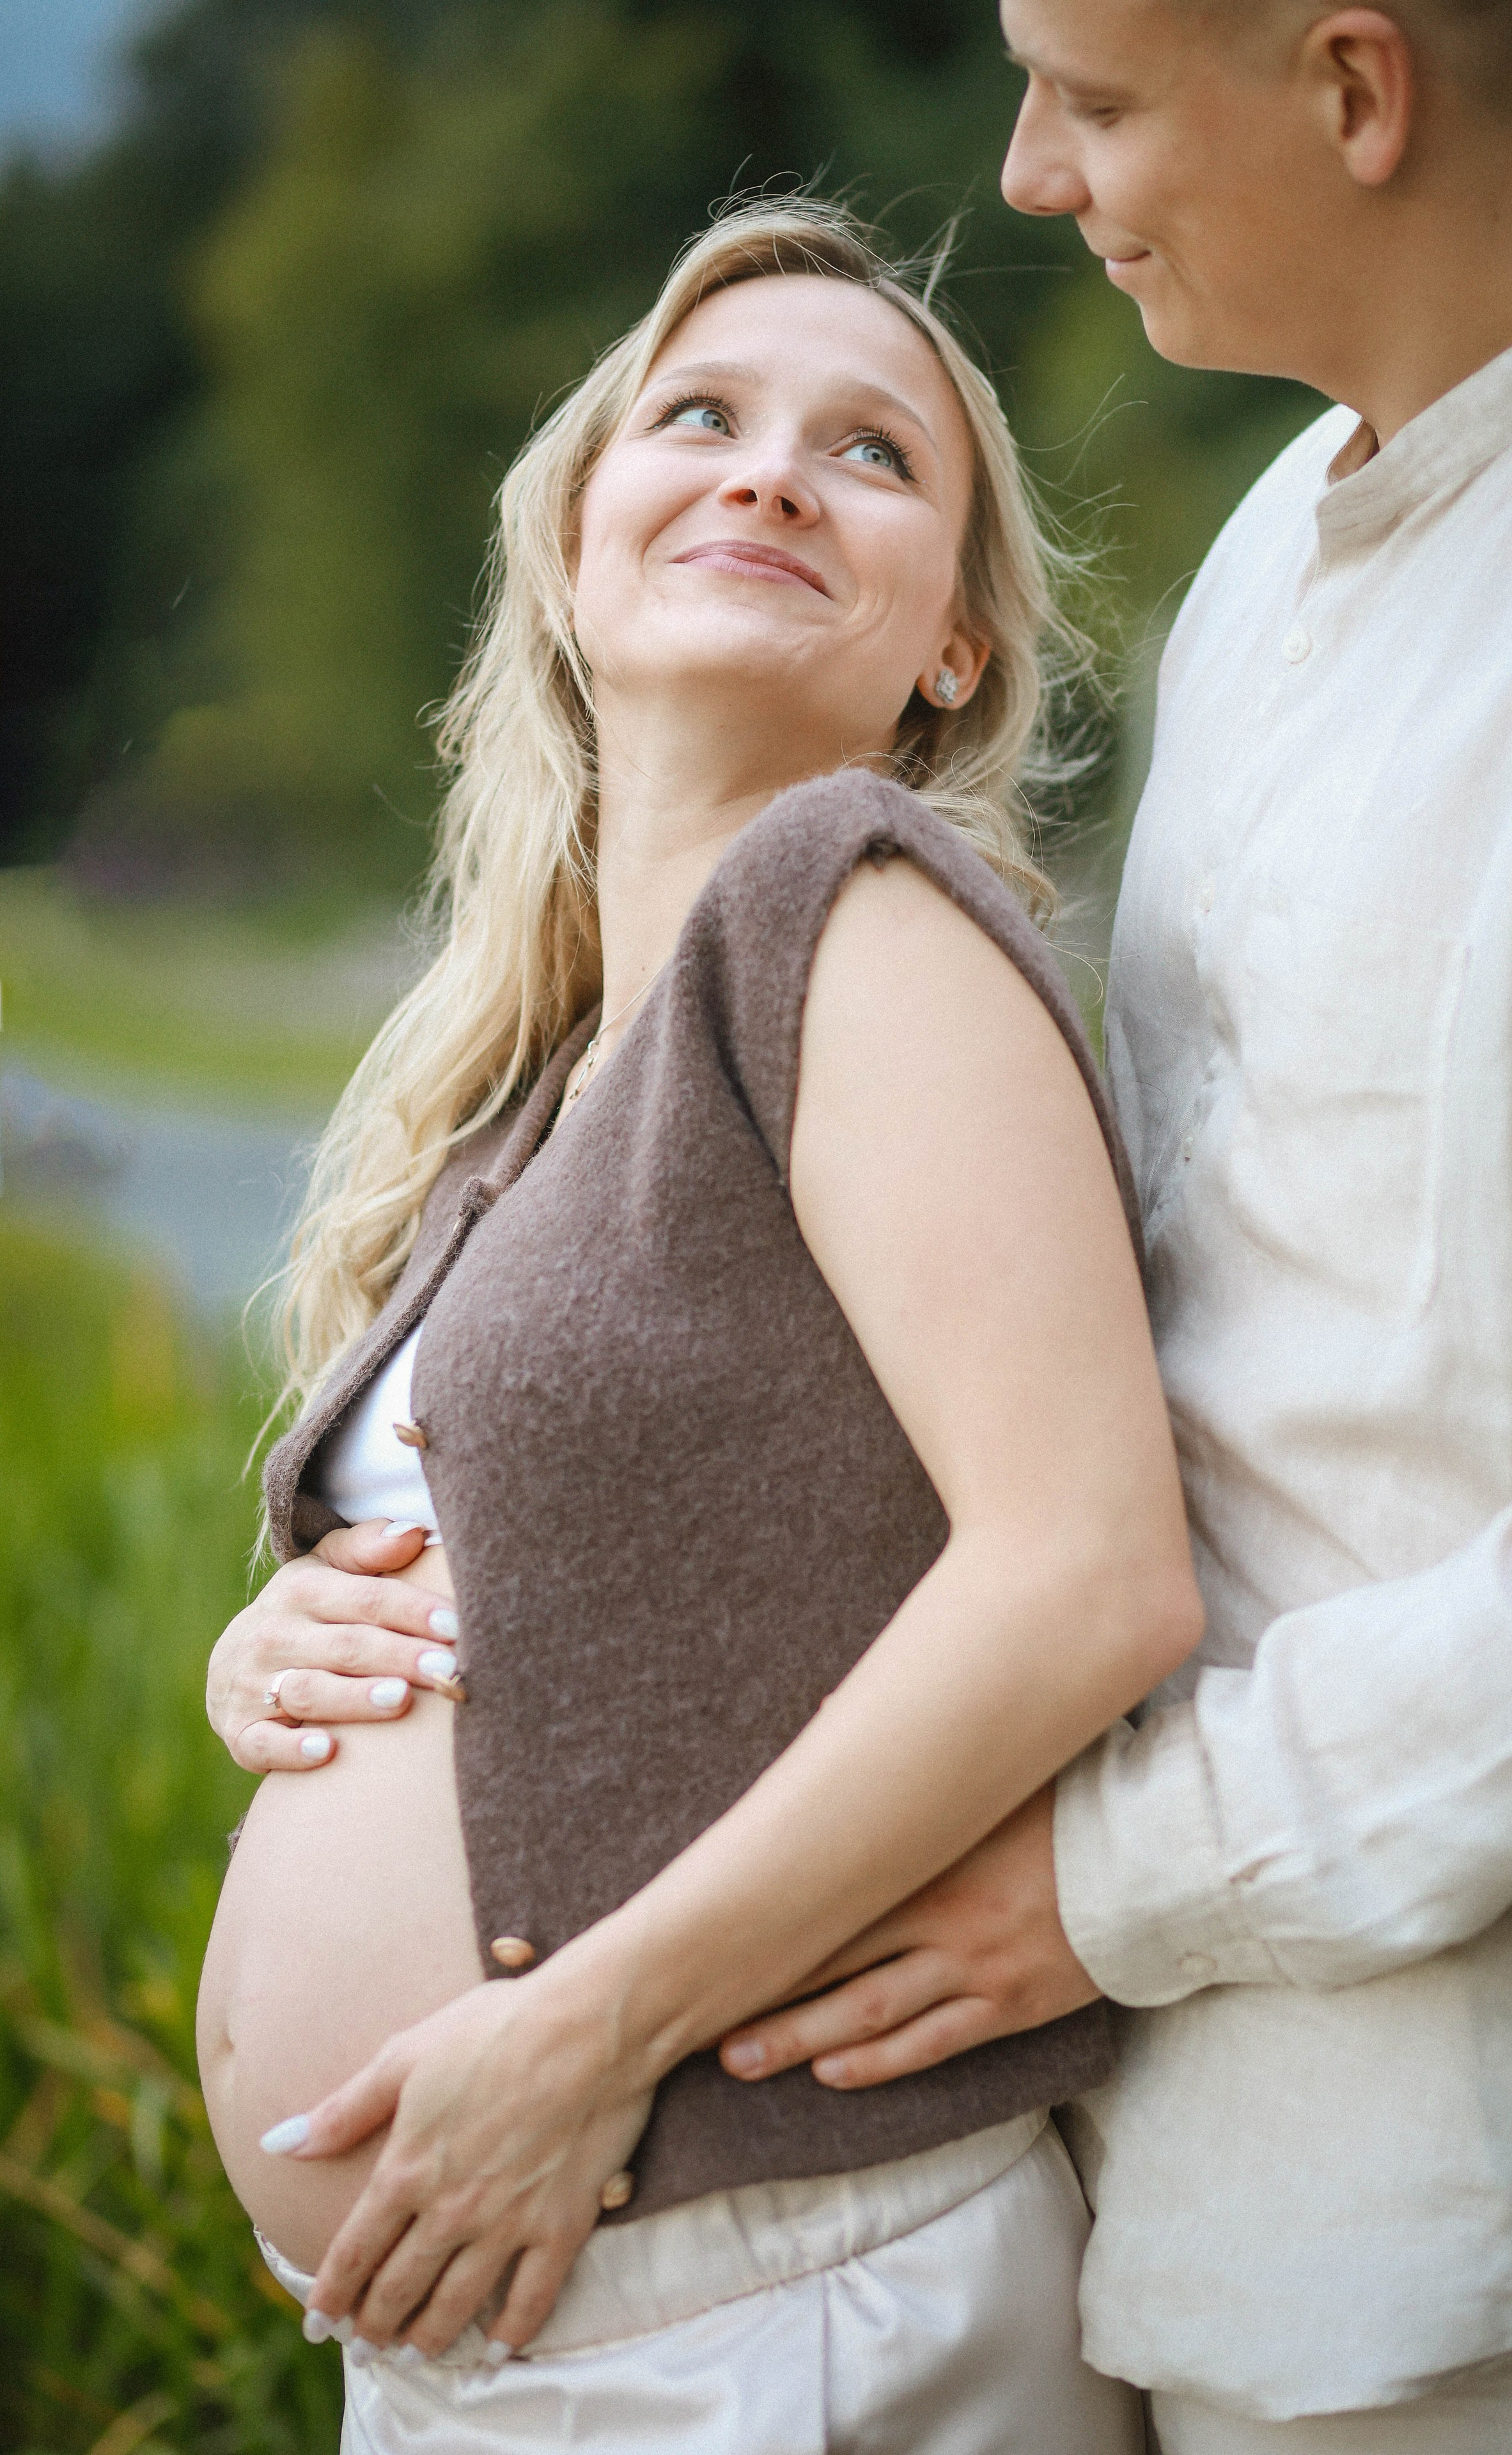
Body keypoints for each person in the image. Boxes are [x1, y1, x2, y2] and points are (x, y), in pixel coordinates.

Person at [198, 196, 1199, 2452]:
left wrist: (586, 2036)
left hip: (773, 2312)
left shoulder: (851, 915)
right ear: (575, 537)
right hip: (527, 2323)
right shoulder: (560, 1067)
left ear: (950, 643)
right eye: (706, 416)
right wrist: (275, 1652)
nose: (767, 472)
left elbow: (1087, 1577)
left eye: (870, 456)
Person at [719, 3, 1512, 2449]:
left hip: (1504, 2266)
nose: (1026, 173)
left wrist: (1121, 1885)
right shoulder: (1269, 551)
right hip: (1178, 2216)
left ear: (1358, 90)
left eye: (1094, 98)